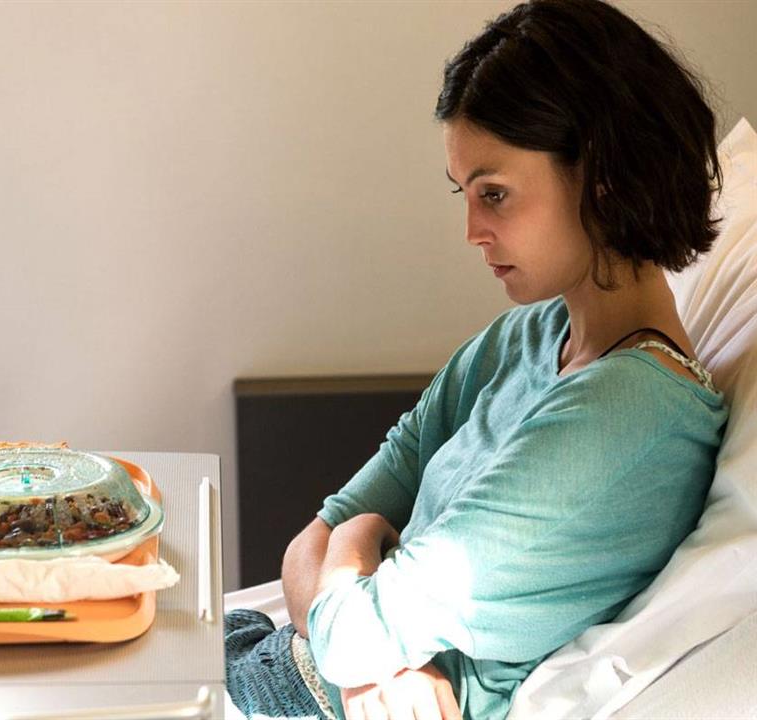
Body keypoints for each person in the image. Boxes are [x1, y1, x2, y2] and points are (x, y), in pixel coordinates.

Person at [224, 1, 730, 719]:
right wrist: (369, 638)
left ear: (605, 178)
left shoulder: (632, 415)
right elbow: (311, 544)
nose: (471, 230)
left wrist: (362, 540)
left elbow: (349, 624)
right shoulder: (520, 339)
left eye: (495, 193)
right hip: (284, 661)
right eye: (464, 194)